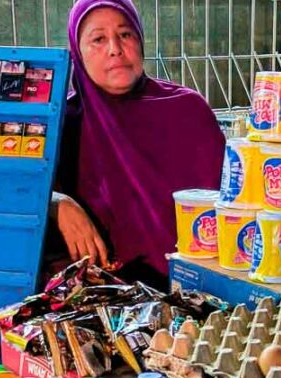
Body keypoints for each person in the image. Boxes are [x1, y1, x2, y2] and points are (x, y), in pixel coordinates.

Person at [50, 0, 226, 288]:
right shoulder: (63, 125)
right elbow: (10, 194)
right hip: (104, 298)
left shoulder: (187, 110)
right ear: (77, 53)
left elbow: (235, 206)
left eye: (125, 34)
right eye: (98, 39)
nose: (115, 48)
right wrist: (57, 202)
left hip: (202, 291)